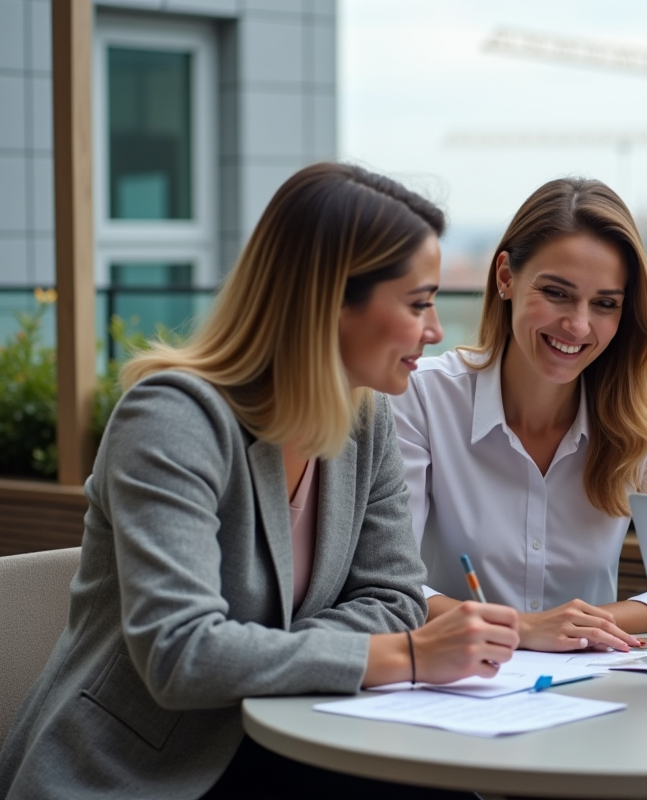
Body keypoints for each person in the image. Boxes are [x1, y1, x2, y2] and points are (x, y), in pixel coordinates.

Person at [0, 163, 520, 800]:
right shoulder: (173, 419)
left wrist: (248, 652)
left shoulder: (367, 418)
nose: (436, 330)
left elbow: (395, 597)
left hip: (288, 734)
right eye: (418, 303)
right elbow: (182, 656)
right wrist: (406, 656)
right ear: (329, 300)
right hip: (130, 774)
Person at [389, 177, 647, 653]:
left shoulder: (646, 413)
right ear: (505, 278)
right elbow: (391, 583)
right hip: (450, 687)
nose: (578, 325)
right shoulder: (422, 399)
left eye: (605, 304)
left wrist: (583, 624)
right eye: (556, 293)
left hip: (592, 690)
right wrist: (523, 628)